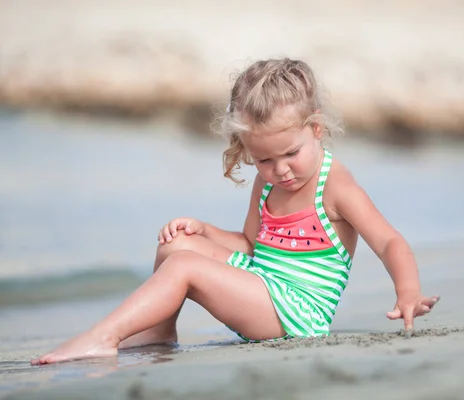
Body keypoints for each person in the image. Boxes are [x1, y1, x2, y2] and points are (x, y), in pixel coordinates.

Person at [31, 58, 439, 365]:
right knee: (180, 246)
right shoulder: (270, 181)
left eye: (291, 154)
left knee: (184, 269)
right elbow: (250, 245)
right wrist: (204, 230)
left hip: (297, 314)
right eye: (263, 160)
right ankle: (158, 332)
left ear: (316, 129)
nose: (280, 170)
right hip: (263, 284)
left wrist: (408, 293)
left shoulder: (336, 185)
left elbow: (388, 241)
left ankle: (104, 336)